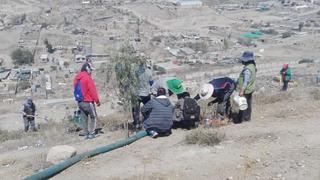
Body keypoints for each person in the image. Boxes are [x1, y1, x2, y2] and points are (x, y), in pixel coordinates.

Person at [74, 62, 100, 139]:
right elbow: (92, 90)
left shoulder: (77, 78)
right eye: (90, 70)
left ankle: (85, 133)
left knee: (84, 117)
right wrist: (97, 101)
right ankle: (91, 133)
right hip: (88, 101)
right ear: (87, 69)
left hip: (80, 102)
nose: (91, 71)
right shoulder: (87, 78)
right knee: (93, 117)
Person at [236, 51, 257, 122]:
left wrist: (242, 90)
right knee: (248, 104)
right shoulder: (253, 66)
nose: (242, 61)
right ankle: (247, 118)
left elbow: (246, 81)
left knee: (243, 105)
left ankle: (243, 119)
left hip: (245, 90)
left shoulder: (247, 69)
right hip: (250, 89)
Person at [132, 63, 153, 129]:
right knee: (148, 109)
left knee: (135, 110)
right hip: (146, 94)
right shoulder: (149, 71)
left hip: (136, 94)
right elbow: (151, 82)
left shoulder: (134, 71)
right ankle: (148, 121)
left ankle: (136, 123)